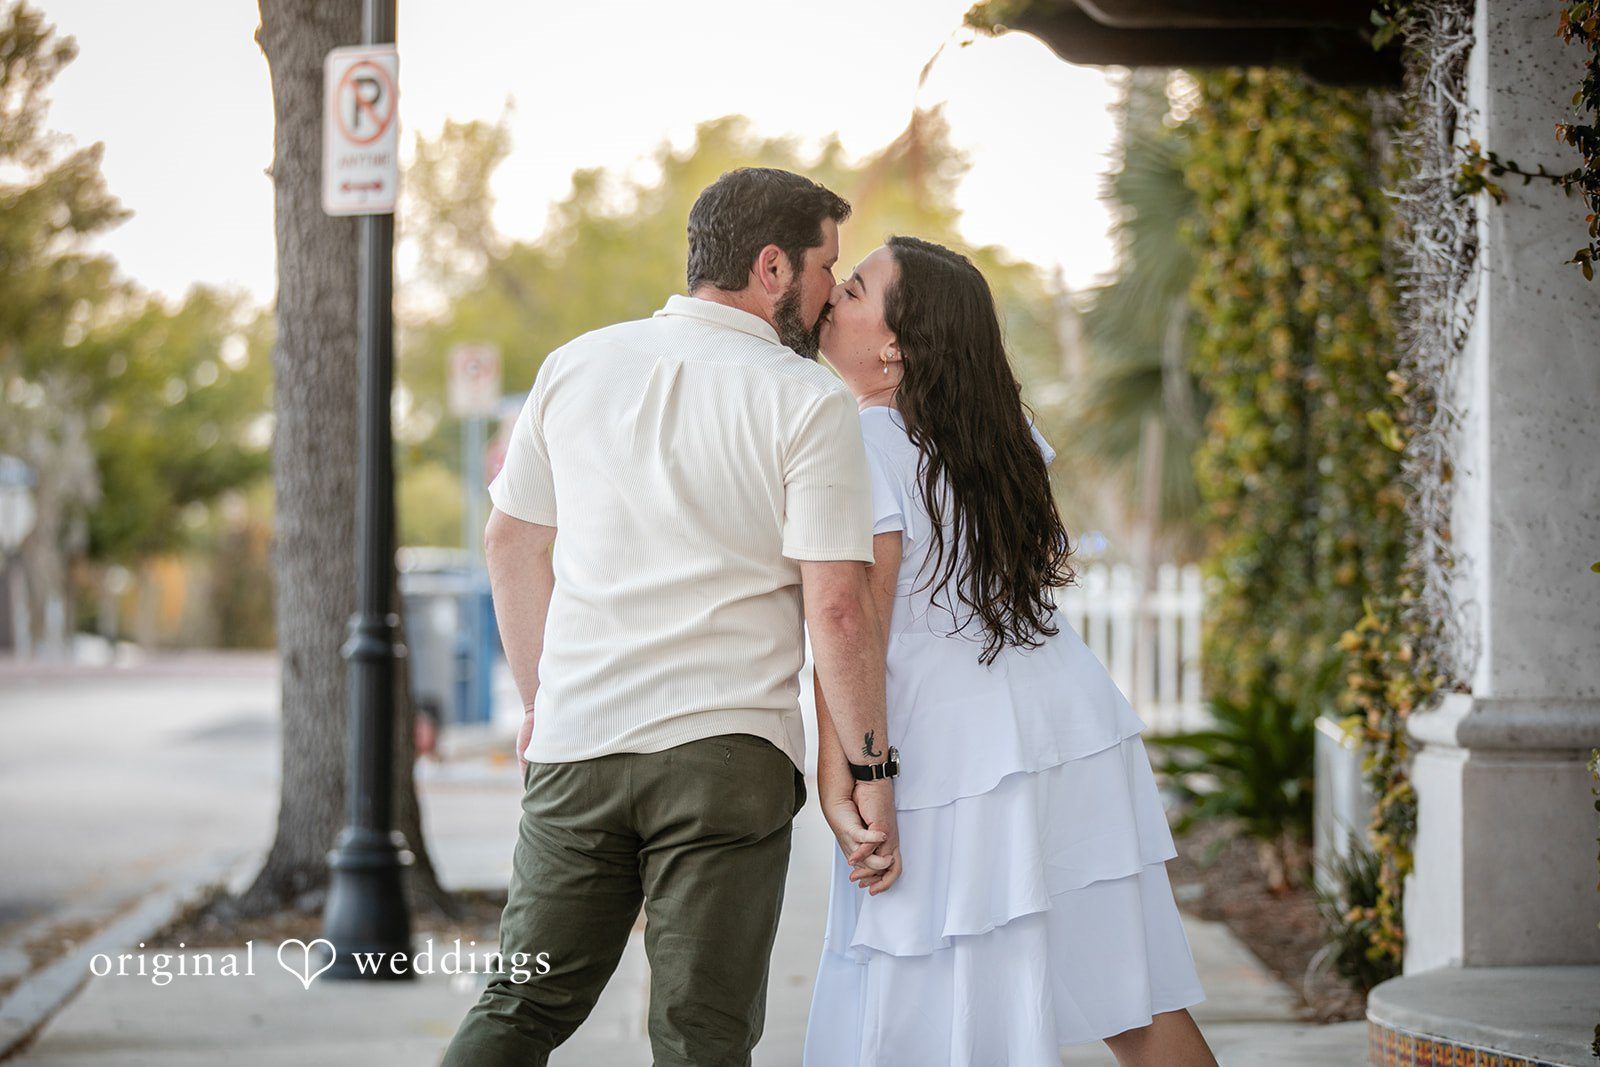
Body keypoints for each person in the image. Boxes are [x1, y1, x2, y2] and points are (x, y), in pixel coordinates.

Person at [441, 168, 902, 1067]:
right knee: (702, 1037)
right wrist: (872, 763)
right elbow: (838, 608)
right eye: (823, 269)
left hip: (578, 747)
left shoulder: (574, 366)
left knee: (522, 1002)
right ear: (771, 267)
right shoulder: (804, 399)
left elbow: (510, 544)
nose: (825, 294)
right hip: (722, 756)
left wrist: (545, 700)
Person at [802, 236, 1218, 1067]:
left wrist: (847, 764)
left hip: (964, 758)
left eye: (852, 289)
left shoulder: (861, 444)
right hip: (1067, 726)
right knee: (1132, 996)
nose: (831, 299)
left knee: (936, 1003)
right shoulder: (994, 438)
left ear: (896, 345)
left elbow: (857, 624)